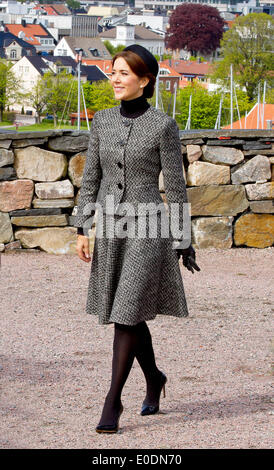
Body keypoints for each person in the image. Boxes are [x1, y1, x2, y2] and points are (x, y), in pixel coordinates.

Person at [75, 45, 200, 434]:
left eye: (123, 73)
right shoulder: (102, 122)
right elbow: (91, 178)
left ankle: (112, 401)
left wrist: (183, 238)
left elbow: (175, 186)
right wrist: (83, 226)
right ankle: (155, 378)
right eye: (113, 72)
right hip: (112, 227)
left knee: (126, 312)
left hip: (148, 227)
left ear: (144, 80)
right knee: (127, 313)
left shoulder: (163, 124)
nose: (114, 78)